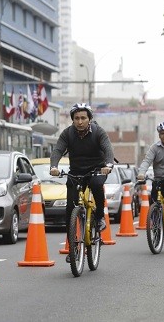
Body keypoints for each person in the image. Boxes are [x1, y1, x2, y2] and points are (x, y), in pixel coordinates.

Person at [49, 103, 115, 262]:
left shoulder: (98, 132)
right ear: (72, 120)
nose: (80, 121)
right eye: (77, 118)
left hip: (97, 169)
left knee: (96, 184)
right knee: (70, 208)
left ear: (89, 119)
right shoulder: (67, 133)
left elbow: (108, 149)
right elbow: (58, 150)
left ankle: (99, 218)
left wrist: (108, 165)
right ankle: (73, 248)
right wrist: (54, 166)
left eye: (83, 118)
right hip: (76, 171)